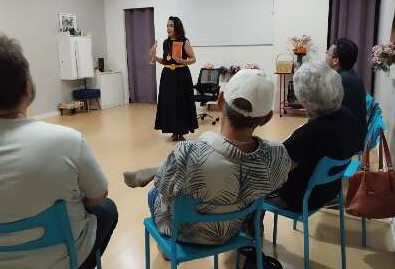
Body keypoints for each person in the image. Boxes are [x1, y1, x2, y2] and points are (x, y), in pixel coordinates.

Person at [0, 35, 117, 269]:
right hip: (63, 261)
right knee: (107, 208)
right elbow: (98, 196)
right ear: (27, 89)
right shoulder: (66, 142)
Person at [124, 69, 291, 245]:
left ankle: (166, 248)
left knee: (154, 192)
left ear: (219, 100)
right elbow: (276, 183)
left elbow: (164, 188)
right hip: (234, 230)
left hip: (185, 233)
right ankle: (166, 168)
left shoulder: (188, 151)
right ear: (267, 118)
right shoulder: (276, 154)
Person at [267, 61, 361, 212]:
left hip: (303, 199)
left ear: (304, 98)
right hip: (331, 190)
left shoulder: (308, 134)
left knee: (253, 184)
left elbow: (276, 172)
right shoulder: (348, 116)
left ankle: (251, 226)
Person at [151, 16, 198, 141]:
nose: (168, 28)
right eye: (167, 25)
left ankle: (181, 131)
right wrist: (155, 57)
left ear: (176, 27)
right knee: (169, 103)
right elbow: (165, 61)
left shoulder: (184, 41)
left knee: (181, 102)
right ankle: (173, 129)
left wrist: (182, 60)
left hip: (181, 76)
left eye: (171, 25)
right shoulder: (166, 43)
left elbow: (193, 59)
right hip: (168, 76)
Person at [327, 38, 367, 151]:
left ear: (335, 60)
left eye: (328, 53)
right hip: (352, 134)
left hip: (348, 141)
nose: (326, 56)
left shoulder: (342, 81)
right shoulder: (350, 75)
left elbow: (330, 114)